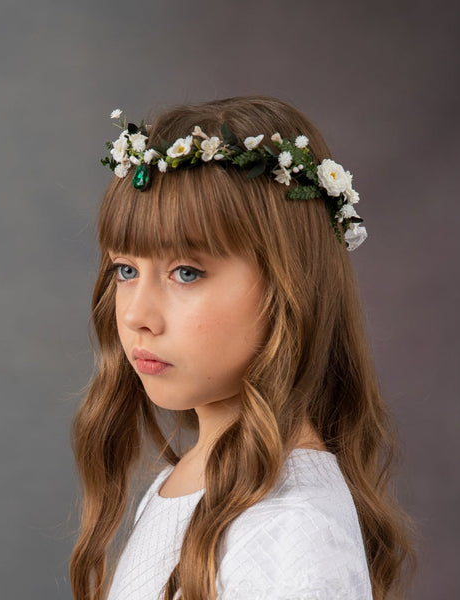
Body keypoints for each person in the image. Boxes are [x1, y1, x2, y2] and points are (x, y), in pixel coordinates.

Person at [69, 96, 416, 600]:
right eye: (126, 270)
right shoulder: (186, 479)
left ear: (287, 284)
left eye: (186, 273)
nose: (135, 316)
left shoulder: (290, 533)